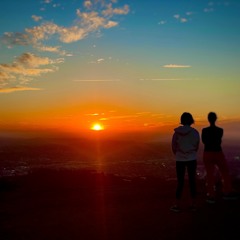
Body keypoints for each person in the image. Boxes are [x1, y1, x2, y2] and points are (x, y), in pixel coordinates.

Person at [201, 112, 236, 203]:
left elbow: (204, 141)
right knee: (224, 172)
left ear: (208, 119)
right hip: (218, 152)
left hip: (207, 153)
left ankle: (211, 194)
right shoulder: (220, 130)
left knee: (210, 174)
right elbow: (218, 141)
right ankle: (227, 192)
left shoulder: (204, 130)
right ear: (215, 119)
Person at [170, 112, 200, 212]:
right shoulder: (195, 132)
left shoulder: (176, 133)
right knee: (192, 181)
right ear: (191, 120)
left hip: (180, 159)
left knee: (180, 182)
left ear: (182, 120)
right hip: (191, 158)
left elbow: (173, 146)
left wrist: (179, 154)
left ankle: (177, 205)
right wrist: (191, 153)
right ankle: (193, 204)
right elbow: (196, 146)